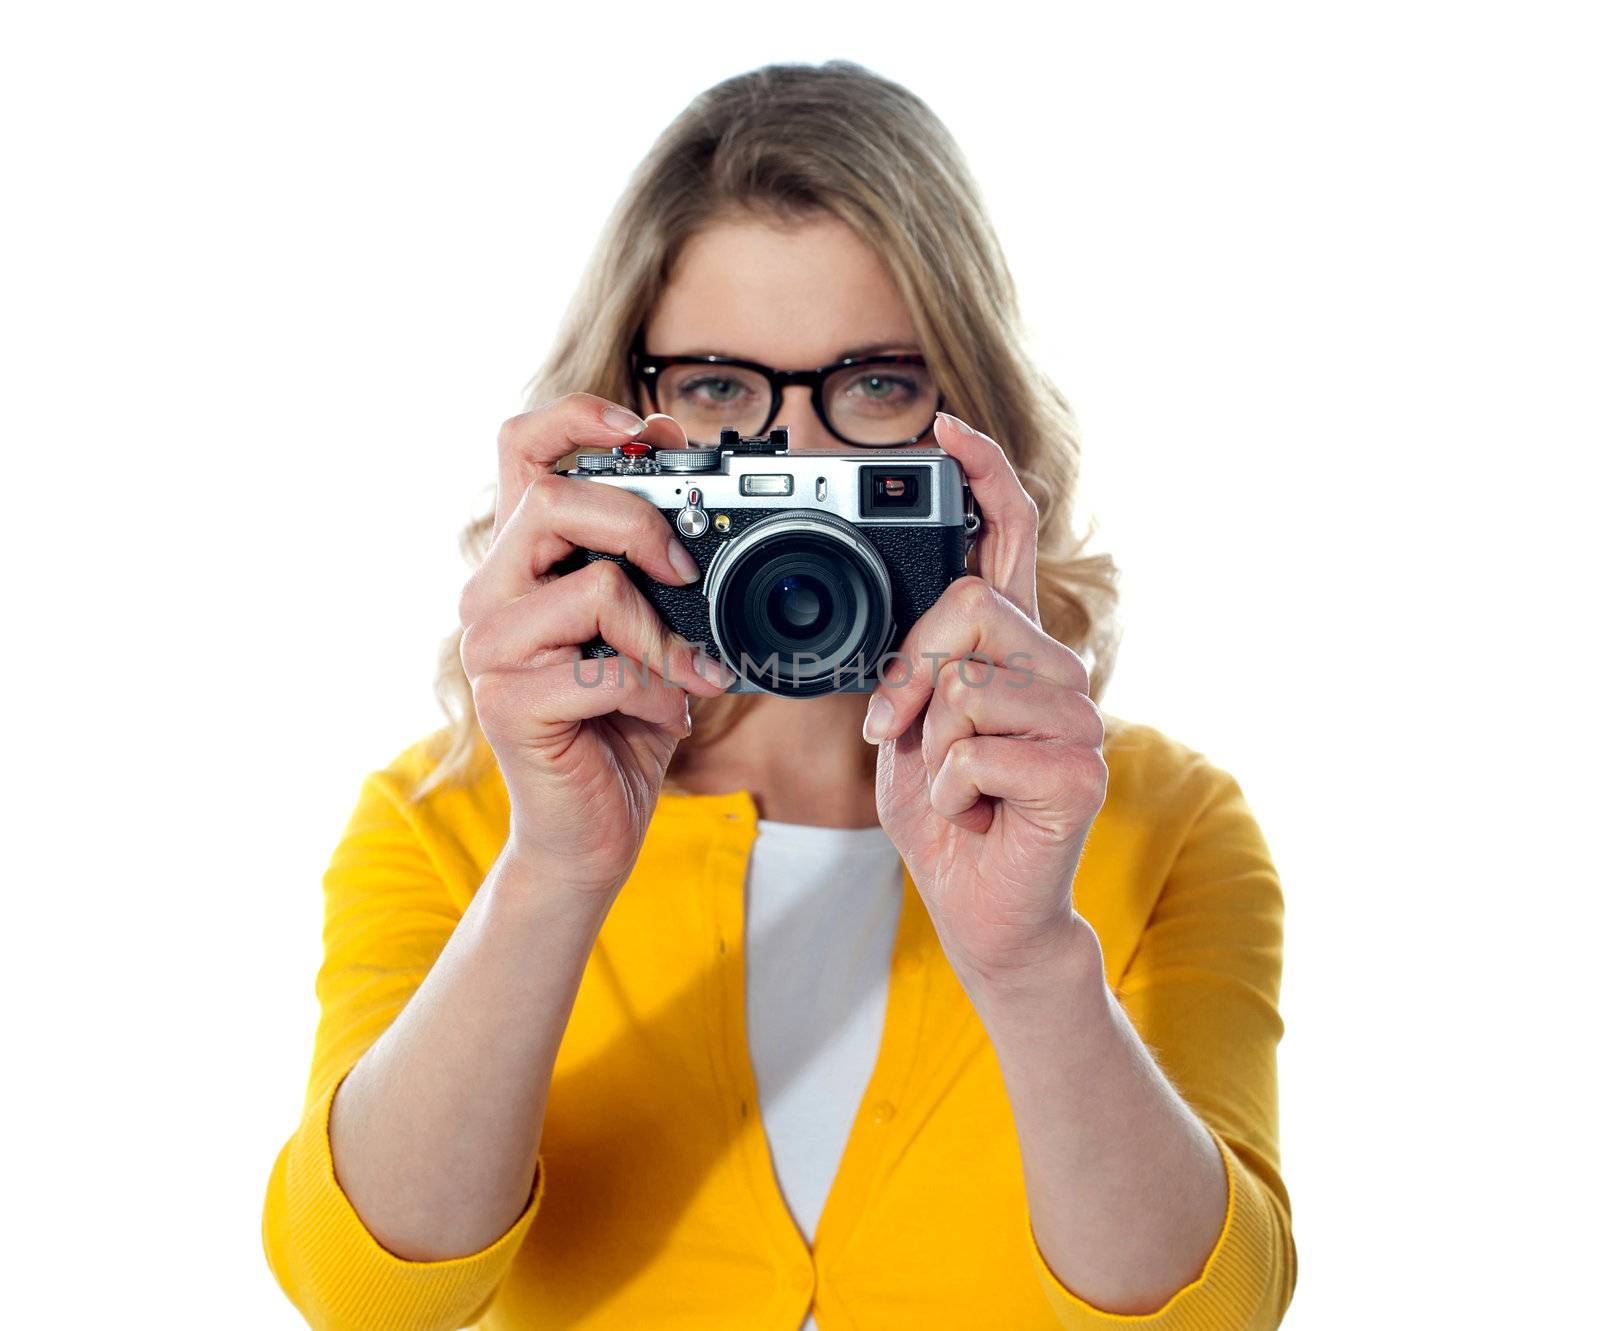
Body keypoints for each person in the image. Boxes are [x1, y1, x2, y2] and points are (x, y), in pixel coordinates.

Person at [260, 59, 1296, 1331]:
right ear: (620, 428)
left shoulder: (1156, 822)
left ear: (966, 423)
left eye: (874, 385)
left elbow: (1221, 1313)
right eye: (717, 391)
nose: (799, 472)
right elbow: (363, 1292)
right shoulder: (455, 823)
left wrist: (1027, 957)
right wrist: (553, 869)